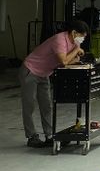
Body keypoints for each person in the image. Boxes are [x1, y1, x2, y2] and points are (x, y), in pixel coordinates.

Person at [19, 20, 89, 148]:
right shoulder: (60, 40)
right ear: (74, 33)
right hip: (31, 70)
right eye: (82, 36)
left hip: (44, 73)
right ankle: (31, 137)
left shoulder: (74, 43)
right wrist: (76, 51)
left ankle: (49, 135)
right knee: (29, 105)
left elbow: (68, 61)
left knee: (46, 106)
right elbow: (63, 61)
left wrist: (76, 56)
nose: (82, 39)